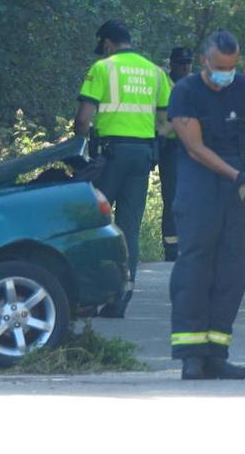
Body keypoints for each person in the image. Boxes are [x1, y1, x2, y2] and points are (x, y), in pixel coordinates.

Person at [167, 29, 245, 380]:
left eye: (231, 67)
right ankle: (191, 356)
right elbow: (195, 148)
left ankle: (216, 353)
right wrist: (235, 174)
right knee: (195, 267)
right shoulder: (185, 92)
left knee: (232, 268)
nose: (225, 74)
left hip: (234, 192)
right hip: (199, 186)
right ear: (204, 62)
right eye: (219, 67)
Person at [74, 19, 171, 318]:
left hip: (109, 157)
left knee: (94, 224)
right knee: (129, 227)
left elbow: (83, 119)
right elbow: (165, 125)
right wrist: (154, 151)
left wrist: (77, 149)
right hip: (142, 156)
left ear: (107, 43)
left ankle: (89, 298)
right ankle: (121, 298)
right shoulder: (156, 73)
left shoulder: (103, 69)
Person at [158, 46, 195, 261]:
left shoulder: (194, 86)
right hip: (170, 148)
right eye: (181, 63)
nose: (185, 66)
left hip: (192, 148)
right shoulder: (164, 83)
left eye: (188, 62)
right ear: (172, 64)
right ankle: (171, 249)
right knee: (172, 198)